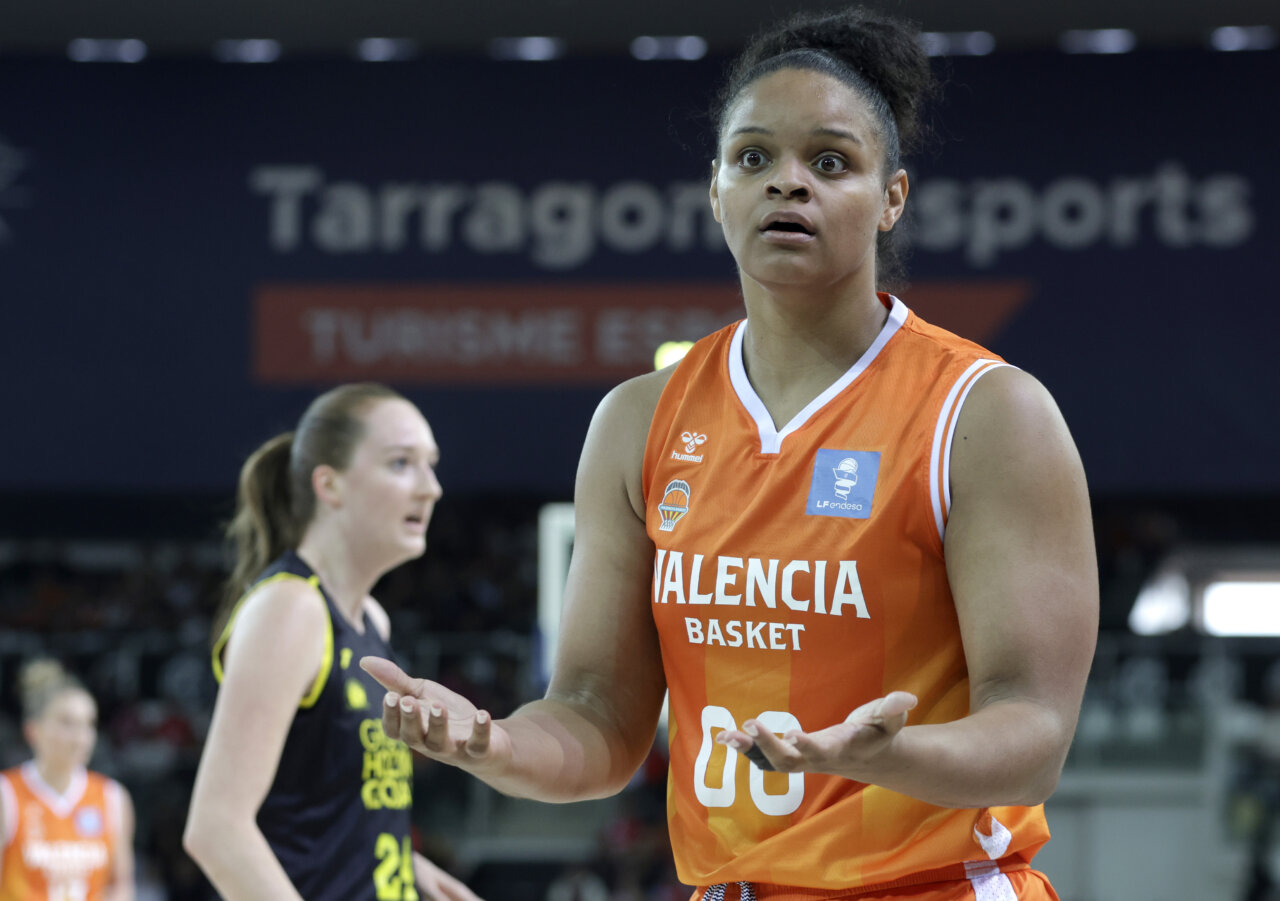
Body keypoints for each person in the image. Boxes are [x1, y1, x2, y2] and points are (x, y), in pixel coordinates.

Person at [364, 8, 1098, 900]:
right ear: (715, 189)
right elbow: (598, 720)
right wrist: (496, 743)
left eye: (830, 162)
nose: (788, 183)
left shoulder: (986, 412)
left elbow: (1034, 738)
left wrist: (889, 754)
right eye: (753, 158)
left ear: (892, 197)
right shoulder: (639, 420)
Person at [183, 383, 483, 901]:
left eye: (431, 464)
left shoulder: (371, 620)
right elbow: (216, 829)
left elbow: (320, 807)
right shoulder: (290, 608)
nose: (430, 487)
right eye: (401, 463)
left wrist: (400, 863)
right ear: (330, 485)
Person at [0, 659, 136, 901]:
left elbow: (121, 885)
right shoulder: (7, 794)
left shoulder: (112, 796)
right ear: (33, 730)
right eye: (67, 723)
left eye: (89, 724)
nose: (81, 737)